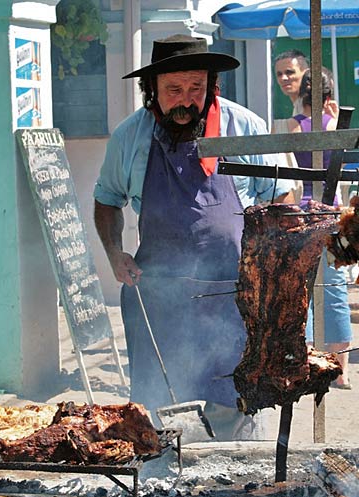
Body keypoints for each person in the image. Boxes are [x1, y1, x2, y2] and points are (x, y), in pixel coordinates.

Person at [93, 34, 294, 441]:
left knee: (236, 407)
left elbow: (283, 197)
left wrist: (270, 270)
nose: (185, 101)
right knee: (158, 413)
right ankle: (161, 481)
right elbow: (107, 201)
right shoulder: (130, 137)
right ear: (151, 91)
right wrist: (114, 252)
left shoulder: (244, 127)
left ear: (212, 86)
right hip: (158, 299)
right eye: (173, 90)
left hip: (232, 297)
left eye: (196, 89)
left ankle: (242, 481)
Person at [288, 67, 353, 389]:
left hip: (305, 210)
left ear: (303, 96)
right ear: (329, 96)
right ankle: (342, 370)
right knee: (335, 289)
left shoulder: (295, 126)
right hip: (334, 210)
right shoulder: (335, 124)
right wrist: (336, 114)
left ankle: (311, 360)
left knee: (306, 289)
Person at [274, 49, 309, 116]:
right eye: (279, 74)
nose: (283, 78)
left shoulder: (316, 108)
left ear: (306, 73)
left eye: (289, 72)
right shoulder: (298, 107)